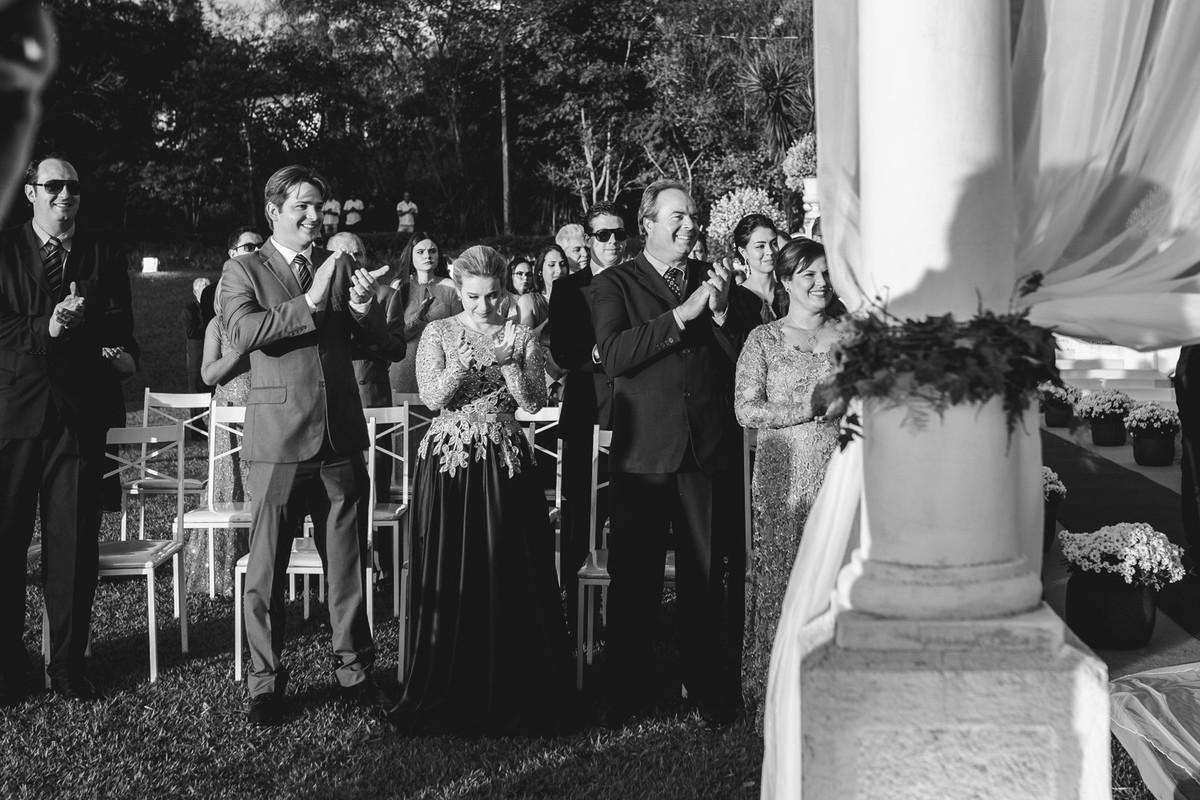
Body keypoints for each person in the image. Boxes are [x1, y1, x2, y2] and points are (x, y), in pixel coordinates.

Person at [221, 165, 396, 725]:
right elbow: (242, 333)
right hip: (277, 441)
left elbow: (385, 344)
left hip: (339, 437)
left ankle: (354, 672)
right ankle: (265, 683)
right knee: (266, 571)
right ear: (273, 210)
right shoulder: (243, 269)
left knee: (348, 566)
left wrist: (364, 308)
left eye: (319, 205)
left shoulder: (339, 265)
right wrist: (313, 297)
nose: (313, 215)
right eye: (301, 205)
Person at [390, 245, 575, 735]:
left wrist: (510, 362)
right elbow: (432, 397)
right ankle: (451, 678)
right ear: (459, 290)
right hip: (449, 462)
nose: (483, 306)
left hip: (504, 463)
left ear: (504, 290)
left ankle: (512, 681)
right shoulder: (439, 331)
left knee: (507, 564)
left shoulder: (521, 335)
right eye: (473, 296)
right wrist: (472, 359)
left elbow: (532, 402)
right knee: (453, 564)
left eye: (492, 295)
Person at [592, 179, 746, 727]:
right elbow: (614, 355)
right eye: (677, 216)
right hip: (643, 456)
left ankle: (706, 689)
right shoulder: (615, 282)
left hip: (705, 451)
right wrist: (682, 315)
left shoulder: (714, 279)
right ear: (647, 224)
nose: (690, 225)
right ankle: (626, 693)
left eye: (694, 216)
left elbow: (741, 358)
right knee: (635, 580)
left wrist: (721, 313)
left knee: (705, 577)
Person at [0, 155, 135, 702]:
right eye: (53, 185)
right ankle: (8, 667)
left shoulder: (103, 250)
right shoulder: (4, 248)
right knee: (6, 543)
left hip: (79, 419)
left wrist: (102, 338)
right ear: (31, 191)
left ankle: (68, 666)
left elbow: (121, 324)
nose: (65, 195)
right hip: (13, 415)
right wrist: (47, 326)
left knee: (74, 547)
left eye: (73, 187)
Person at [733, 238, 844, 729]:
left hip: (840, 473)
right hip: (781, 477)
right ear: (785, 281)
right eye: (809, 275)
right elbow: (745, 409)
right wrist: (807, 408)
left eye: (826, 274)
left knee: (836, 580)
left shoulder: (851, 338)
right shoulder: (763, 340)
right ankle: (777, 701)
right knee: (782, 581)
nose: (822, 283)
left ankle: (834, 699)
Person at [547, 201, 626, 637]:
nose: (613, 241)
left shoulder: (638, 281)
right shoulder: (568, 288)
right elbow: (563, 351)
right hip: (585, 410)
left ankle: (624, 618)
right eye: (603, 234)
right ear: (588, 239)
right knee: (580, 516)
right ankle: (577, 620)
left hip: (633, 410)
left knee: (630, 515)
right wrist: (603, 353)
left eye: (619, 234)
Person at [331, 231, 407, 575]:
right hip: (332, 400)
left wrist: (365, 328)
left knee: (377, 483)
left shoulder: (387, 295)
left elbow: (396, 347)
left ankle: (383, 565)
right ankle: (338, 565)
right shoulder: (317, 296)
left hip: (372, 399)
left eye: (357, 254)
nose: (350, 260)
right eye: (341, 254)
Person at [187, 275, 252, 597]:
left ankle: (261, 567)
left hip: (262, 412)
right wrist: (238, 353)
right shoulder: (217, 325)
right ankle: (223, 570)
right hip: (227, 415)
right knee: (228, 486)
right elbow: (207, 374)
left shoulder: (261, 322)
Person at [388, 231, 461, 396]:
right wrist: (418, 318)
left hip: (440, 370)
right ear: (410, 256)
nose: (427, 256)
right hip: (404, 367)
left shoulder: (451, 287)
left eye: (432, 251)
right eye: (420, 252)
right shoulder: (400, 287)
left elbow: (457, 333)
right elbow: (392, 337)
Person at [727, 214, 785, 329]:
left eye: (774, 243)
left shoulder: (789, 292)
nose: (770, 251)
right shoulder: (735, 300)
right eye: (760, 246)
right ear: (743, 252)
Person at [180, 277, 211, 394]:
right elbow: (190, 332)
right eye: (204, 291)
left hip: (212, 357)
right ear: (195, 292)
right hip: (196, 358)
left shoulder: (214, 309)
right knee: (195, 392)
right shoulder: (189, 310)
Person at [506, 254, 547, 329]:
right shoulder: (504, 299)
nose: (525, 278)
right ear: (510, 276)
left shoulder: (537, 300)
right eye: (520, 274)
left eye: (529, 274)